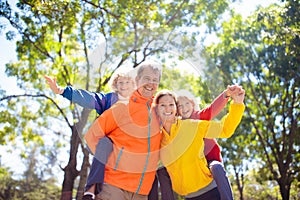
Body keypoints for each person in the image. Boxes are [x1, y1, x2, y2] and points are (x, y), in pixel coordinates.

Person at [44, 72, 136, 199]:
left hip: (131, 147)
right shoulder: (108, 99)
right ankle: (90, 191)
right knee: (104, 144)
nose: (124, 85)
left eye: (127, 82)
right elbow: (88, 98)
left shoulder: (139, 103)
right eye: (120, 82)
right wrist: (62, 90)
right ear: (115, 85)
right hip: (110, 142)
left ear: (133, 85)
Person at [84, 62, 164, 200]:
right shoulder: (122, 107)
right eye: (147, 78)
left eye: (155, 80)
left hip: (142, 192)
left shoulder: (159, 113)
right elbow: (92, 136)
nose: (151, 83)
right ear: (137, 80)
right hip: (114, 187)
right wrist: (111, 164)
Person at [148, 86, 239, 200]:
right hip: (188, 197)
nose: (167, 108)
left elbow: (225, 129)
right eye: (162, 105)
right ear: (156, 109)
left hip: (211, 191)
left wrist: (237, 103)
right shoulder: (158, 139)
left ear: (176, 109)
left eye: (171, 104)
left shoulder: (191, 126)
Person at [176, 86, 241, 200]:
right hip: (195, 165)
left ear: (192, 104)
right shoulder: (178, 126)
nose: (184, 108)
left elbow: (213, 108)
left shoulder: (198, 117)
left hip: (209, 159)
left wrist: (226, 94)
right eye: (180, 106)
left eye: (186, 103)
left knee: (216, 167)